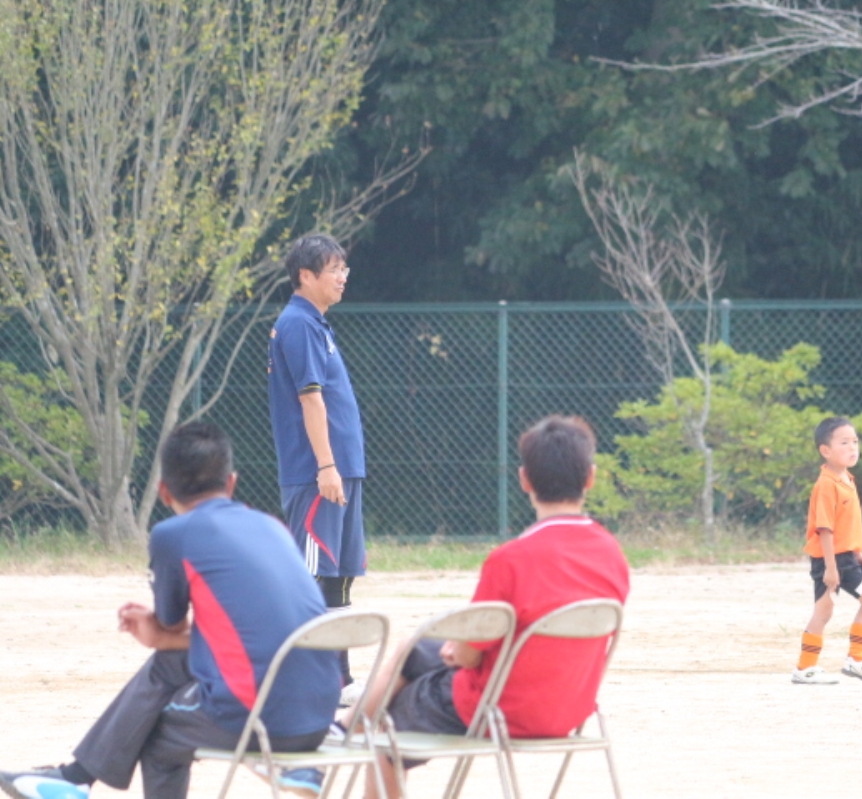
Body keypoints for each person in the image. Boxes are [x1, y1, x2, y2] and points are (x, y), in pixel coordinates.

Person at [0, 423, 339, 799]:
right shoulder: (273, 527)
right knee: (171, 663)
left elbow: (171, 625)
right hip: (320, 712)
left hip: (261, 717)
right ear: (231, 483)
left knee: (156, 731)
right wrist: (162, 637)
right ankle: (75, 777)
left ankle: (75, 779)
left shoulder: (173, 534)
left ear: (164, 491)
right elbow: (249, 633)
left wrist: (155, 631)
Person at [345, 415, 630, 799]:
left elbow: (468, 656)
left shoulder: (511, 560)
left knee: (387, 727)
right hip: (570, 706)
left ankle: (346, 728)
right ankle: (345, 724)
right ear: (590, 478)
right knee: (416, 649)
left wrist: (458, 651)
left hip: (498, 707)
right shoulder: (612, 554)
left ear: (524, 480)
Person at [268, 233, 367, 706]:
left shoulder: (317, 324)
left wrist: (341, 466)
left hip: (343, 470)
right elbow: (310, 399)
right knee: (309, 578)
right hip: (318, 474)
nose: (343, 277)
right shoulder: (298, 324)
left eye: (344, 268)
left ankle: (338, 681)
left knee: (338, 577)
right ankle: (298, 681)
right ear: (305, 276)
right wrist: (326, 466)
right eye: (333, 270)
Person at [791, 417, 862, 685]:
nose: (852, 447)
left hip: (845, 557)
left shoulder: (847, 478)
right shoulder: (826, 484)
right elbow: (825, 529)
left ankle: (852, 660)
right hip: (830, 560)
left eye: (855, 441)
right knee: (831, 611)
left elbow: (846, 525)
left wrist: (856, 551)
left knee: (861, 604)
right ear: (825, 450)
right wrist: (831, 569)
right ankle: (810, 667)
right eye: (844, 443)